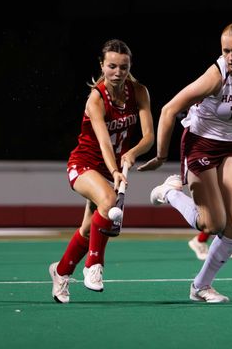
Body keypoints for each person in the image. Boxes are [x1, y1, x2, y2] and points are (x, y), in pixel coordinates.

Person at [138, 22, 232, 303]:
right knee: (212, 224)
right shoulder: (214, 76)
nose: (231, 57)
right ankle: (170, 193)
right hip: (199, 145)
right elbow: (169, 110)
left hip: (231, 145)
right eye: (226, 50)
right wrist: (161, 157)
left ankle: (201, 286)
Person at [48, 39, 154, 303]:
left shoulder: (139, 92)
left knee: (88, 230)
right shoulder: (96, 99)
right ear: (102, 66)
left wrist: (133, 153)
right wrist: (115, 170)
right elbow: (104, 142)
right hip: (84, 164)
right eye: (112, 66)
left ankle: (61, 272)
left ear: (130, 67)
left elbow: (149, 137)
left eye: (123, 67)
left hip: (111, 169)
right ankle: (94, 265)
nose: (118, 72)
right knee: (109, 200)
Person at [187, 112, 232, 260]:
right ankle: (207, 240)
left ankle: (208, 239)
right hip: (211, 156)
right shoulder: (224, 108)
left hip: (231, 157)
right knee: (221, 205)